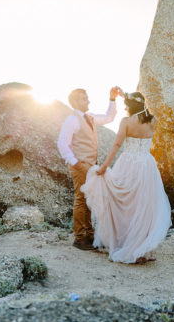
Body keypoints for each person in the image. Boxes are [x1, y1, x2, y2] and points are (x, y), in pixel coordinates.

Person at [81, 91, 171, 263]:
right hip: (146, 164)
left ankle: (128, 246)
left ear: (130, 106)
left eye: (126, 105)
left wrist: (104, 167)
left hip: (129, 163)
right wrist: (125, 95)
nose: (124, 108)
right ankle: (142, 248)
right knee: (144, 205)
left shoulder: (126, 122)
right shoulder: (152, 120)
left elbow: (116, 144)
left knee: (125, 204)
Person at [57, 87, 120, 250]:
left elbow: (109, 117)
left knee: (88, 199)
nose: (89, 101)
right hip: (80, 165)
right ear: (77, 101)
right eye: (85, 98)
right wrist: (74, 161)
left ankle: (89, 234)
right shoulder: (72, 120)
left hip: (91, 165)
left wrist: (112, 99)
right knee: (80, 199)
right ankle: (79, 238)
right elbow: (62, 142)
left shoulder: (89, 117)